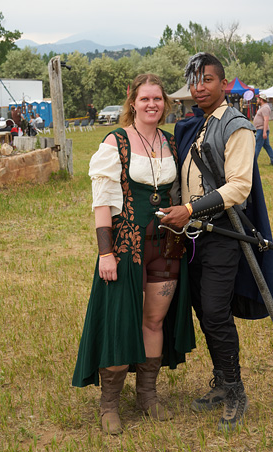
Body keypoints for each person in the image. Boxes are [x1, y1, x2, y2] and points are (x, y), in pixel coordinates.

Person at [160, 52, 273, 431]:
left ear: (224, 84)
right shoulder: (192, 125)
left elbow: (239, 187)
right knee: (205, 310)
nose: (199, 87)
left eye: (207, 80)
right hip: (193, 237)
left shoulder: (237, 126)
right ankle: (222, 381)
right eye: (194, 81)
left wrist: (191, 209)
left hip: (223, 234)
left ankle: (235, 391)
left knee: (214, 311)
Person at [72, 73, 195, 435]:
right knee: (119, 317)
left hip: (166, 247)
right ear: (133, 103)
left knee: (153, 321)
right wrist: (104, 253)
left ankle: (148, 394)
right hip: (126, 246)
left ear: (165, 103)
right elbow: (102, 202)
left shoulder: (171, 142)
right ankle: (109, 402)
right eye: (145, 99)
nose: (152, 105)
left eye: (157, 99)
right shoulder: (117, 141)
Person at [254, 93, 273, 165]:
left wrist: (264, 132)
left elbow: (266, 120)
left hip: (261, 130)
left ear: (261, 100)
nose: (257, 100)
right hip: (261, 129)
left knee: (257, 146)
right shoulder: (263, 107)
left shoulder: (265, 108)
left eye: (258, 99)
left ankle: (253, 163)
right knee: (267, 146)